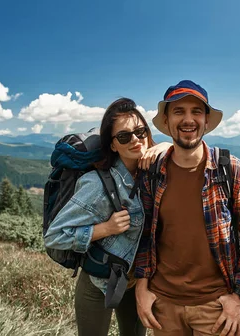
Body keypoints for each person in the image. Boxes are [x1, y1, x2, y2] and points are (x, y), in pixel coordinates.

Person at [134, 80, 240, 336]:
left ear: (206, 120)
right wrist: (142, 287)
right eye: (179, 111)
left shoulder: (232, 170)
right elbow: (144, 234)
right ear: (167, 120)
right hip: (164, 306)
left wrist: (239, 297)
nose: (188, 119)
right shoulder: (153, 172)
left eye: (196, 111)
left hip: (216, 306)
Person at [43, 97, 170, 336]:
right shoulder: (96, 185)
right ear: (112, 145)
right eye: (124, 136)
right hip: (98, 283)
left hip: (137, 282)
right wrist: (105, 229)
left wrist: (167, 147)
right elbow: (54, 237)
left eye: (140, 131)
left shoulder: (153, 174)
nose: (135, 139)